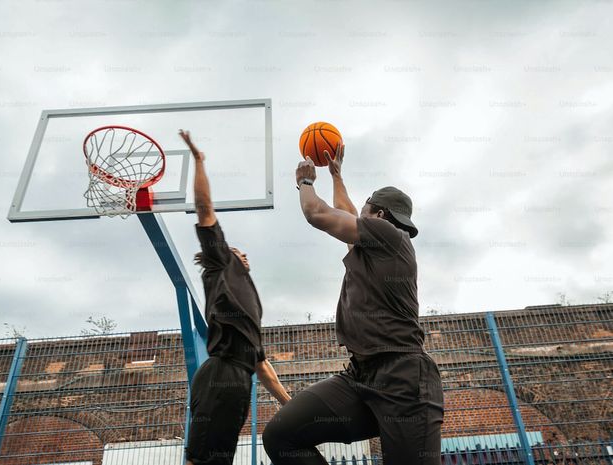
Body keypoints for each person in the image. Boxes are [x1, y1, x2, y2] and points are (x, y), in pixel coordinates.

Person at [263, 145, 444, 465]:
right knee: (282, 434)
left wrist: (305, 182)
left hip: (404, 381)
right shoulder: (375, 245)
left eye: (365, 209)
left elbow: (317, 213)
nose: (357, 215)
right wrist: (336, 176)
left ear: (380, 215)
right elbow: (347, 210)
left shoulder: (389, 235)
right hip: (360, 377)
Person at [179, 130, 291, 465]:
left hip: (241, 380)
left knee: (219, 459)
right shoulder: (219, 263)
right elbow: (204, 208)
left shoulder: (251, 299)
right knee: (203, 459)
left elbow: (261, 363)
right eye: (235, 249)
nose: (242, 253)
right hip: (220, 374)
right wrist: (199, 163)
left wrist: (289, 401)